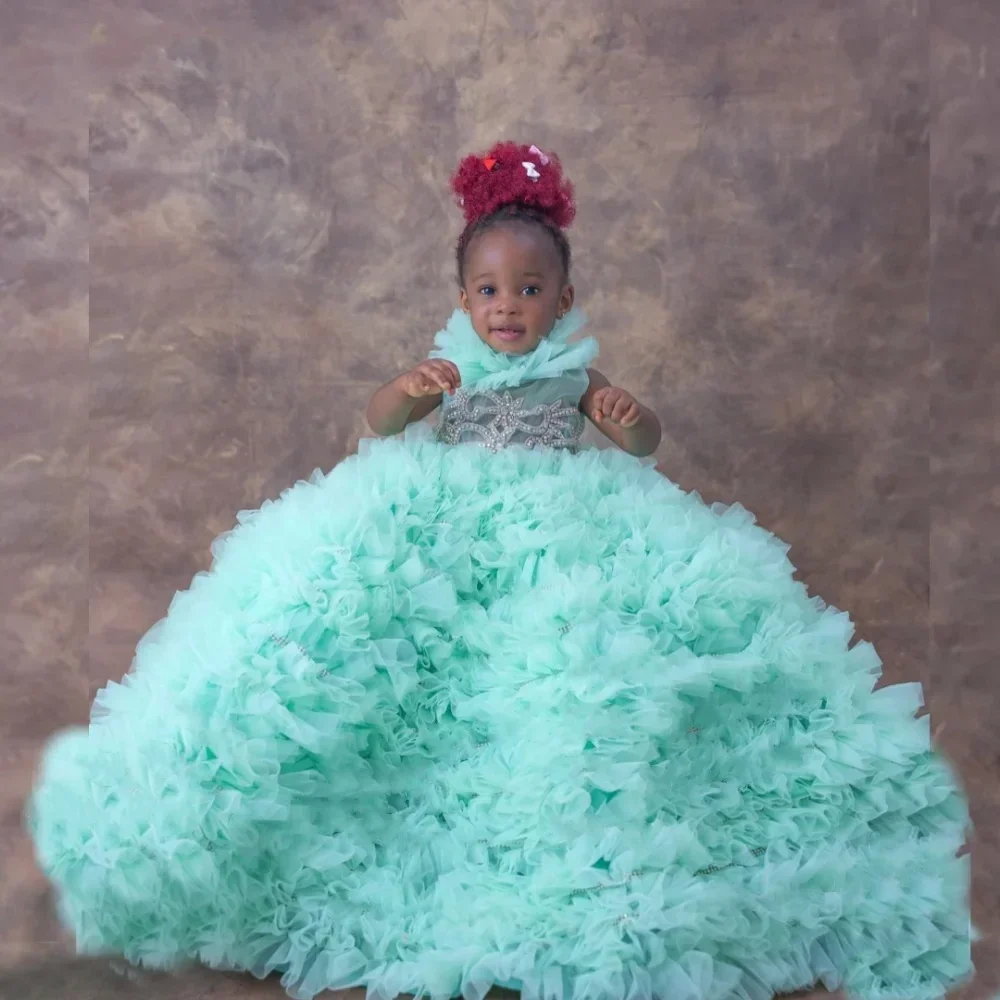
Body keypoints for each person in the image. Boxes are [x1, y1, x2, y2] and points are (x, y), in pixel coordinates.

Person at [28, 141, 970, 1000]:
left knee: (563, 673)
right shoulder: (449, 369)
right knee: (398, 655)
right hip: (448, 531)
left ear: (561, 301)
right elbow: (381, 422)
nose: (507, 307)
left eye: (528, 291)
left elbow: (640, 443)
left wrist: (628, 411)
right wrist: (407, 392)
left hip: (565, 534)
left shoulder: (573, 375)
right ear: (463, 302)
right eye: (488, 291)